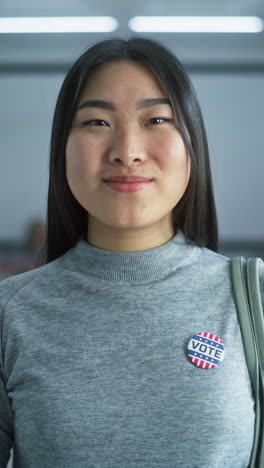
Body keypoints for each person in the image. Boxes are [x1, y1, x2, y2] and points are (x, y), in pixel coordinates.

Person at [0, 37, 263, 468]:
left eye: (156, 119)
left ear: (191, 142)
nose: (127, 152)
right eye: (97, 123)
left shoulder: (251, 299)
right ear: (62, 149)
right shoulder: (12, 313)